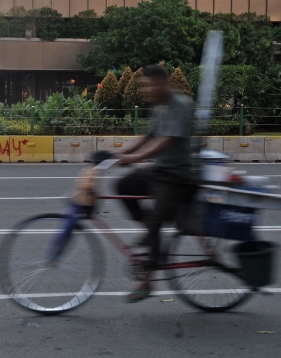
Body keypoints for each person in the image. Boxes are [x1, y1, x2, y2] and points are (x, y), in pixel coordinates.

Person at [113, 64, 196, 303]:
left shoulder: (180, 105)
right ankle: (148, 230)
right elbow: (150, 135)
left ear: (163, 83)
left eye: (150, 85)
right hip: (160, 170)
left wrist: (135, 158)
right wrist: (121, 154)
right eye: (144, 86)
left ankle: (147, 280)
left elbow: (167, 140)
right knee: (124, 186)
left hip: (178, 175)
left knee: (156, 219)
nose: (146, 90)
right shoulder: (159, 106)